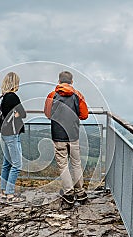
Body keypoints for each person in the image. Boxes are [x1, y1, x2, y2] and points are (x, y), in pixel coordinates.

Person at [44, 71, 89, 205]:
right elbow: (84, 115)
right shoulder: (78, 95)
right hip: (73, 135)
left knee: (63, 165)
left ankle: (68, 193)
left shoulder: (52, 95)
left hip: (58, 135)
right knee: (76, 163)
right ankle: (80, 193)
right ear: (72, 82)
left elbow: (47, 114)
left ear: (59, 81)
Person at [0, 72, 26, 203]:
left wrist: (16, 114)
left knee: (7, 164)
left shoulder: (3, 97)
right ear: (14, 83)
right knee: (17, 164)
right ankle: (10, 193)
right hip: (12, 134)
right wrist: (17, 114)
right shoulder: (13, 97)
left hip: (5, 133)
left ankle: (3, 190)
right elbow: (23, 113)